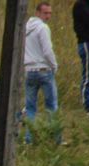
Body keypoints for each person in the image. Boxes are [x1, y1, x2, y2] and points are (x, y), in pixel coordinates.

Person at [25, 2, 59, 143]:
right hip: (44, 69)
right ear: (38, 12)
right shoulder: (43, 28)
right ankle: (55, 138)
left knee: (30, 107)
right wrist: (54, 65)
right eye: (46, 13)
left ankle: (28, 138)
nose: (48, 16)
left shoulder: (25, 28)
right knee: (51, 106)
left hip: (29, 70)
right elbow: (47, 50)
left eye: (50, 13)